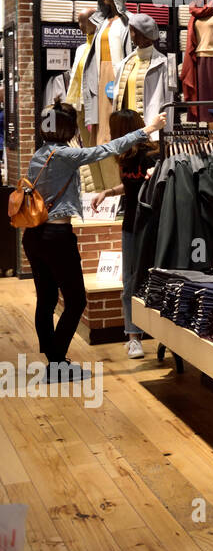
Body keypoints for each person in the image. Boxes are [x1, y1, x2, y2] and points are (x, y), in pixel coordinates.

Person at [26, 103, 163, 379]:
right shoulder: (64, 154)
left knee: (47, 299)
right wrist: (147, 130)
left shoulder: (39, 154)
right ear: (66, 129)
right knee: (76, 301)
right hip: (56, 236)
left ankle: (54, 360)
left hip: (33, 236)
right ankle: (56, 362)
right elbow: (105, 150)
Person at [91, 109, 160, 359]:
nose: (110, 134)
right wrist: (107, 192)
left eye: (113, 129)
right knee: (129, 281)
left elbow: (153, 186)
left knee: (147, 279)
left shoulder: (151, 155)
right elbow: (132, 185)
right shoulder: (125, 157)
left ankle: (147, 336)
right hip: (131, 224)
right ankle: (133, 337)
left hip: (150, 226)